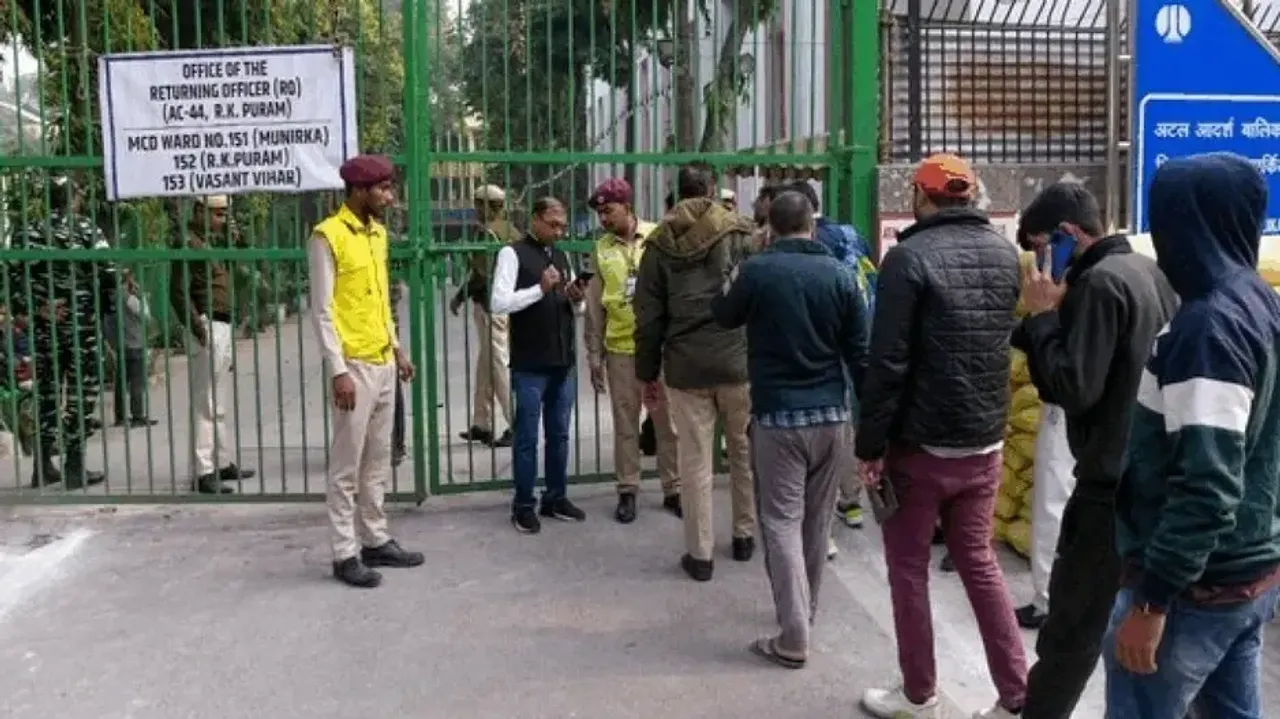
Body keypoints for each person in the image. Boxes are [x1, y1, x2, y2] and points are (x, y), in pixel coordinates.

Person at [1105, 153, 1280, 719]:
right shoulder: (1261, 303)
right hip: (1248, 575)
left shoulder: (1208, 328)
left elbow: (1207, 482)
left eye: (1169, 221)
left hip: (1192, 591)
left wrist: (1153, 600)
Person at [855, 154, 1027, 719]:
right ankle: (1015, 698)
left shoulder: (907, 259)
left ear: (921, 197)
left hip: (920, 448)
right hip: (984, 444)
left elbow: (888, 362)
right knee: (979, 562)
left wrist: (870, 446)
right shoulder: (1006, 256)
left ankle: (919, 695)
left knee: (908, 567)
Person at [1012, 182, 1177, 719]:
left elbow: (1073, 386)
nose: (1041, 264)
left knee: (1071, 630)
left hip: (1109, 488)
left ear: (1067, 236)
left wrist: (1040, 320)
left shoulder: (1100, 285)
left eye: (1041, 248)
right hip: (1151, 477)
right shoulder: (1148, 272)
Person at [711, 190, 869, 669]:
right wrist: (870, 428)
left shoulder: (757, 271)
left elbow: (722, 314)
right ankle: (806, 613)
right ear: (813, 225)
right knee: (816, 522)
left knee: (779, 522)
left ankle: (794, 634)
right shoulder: (842, 276)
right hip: (831, 418)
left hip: (778, 419)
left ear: (770, 227)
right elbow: (860, 355)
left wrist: (745, 265)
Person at [634, 163, 758, 582]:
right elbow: (757, 294)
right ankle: (744, 535)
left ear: (678, 192)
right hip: (737, 359)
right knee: (742, 451)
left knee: (695, 460)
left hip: (685, 365)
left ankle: (700, 554)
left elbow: (648, 316)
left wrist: (647, 370)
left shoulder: (658, 244)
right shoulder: (740, 233)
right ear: (710, 189)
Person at [309, 154, 424, 589]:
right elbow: (322, 311)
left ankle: (375, 538)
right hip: (353, 365)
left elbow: (378, 301)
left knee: (377, 461)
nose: (390, 197)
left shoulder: (377, 234)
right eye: (383, 189)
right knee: (346, 466)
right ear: (359, 191)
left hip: (382, 360)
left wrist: (398, 349)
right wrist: (337, 370)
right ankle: (343, 553)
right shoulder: (327, 237)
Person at [583, 178, 681, 523]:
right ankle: (628, 490)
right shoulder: (601, 249)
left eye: (608, 211)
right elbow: (595, 306)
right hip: (621, 349)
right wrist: (594, 354)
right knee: (625, 424)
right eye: (599, 214)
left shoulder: (659, 238)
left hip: (661, 348)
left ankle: (674, 488)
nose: (604, 219)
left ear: (627, 206)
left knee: (667, 423)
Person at [8, 175, 114, 489]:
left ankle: (42, 466)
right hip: (81, 326)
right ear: (74, 198)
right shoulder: (86, 229)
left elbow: (11, 275)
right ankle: (74, 464)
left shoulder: (27, 232)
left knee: (47, 392)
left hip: (44, 326)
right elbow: (107, 272)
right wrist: (105, 304)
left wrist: (32, 308)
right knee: (82, 394)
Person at [490, 197, 587, 533]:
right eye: (553, 224)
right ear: (535, 220)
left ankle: (556, 497)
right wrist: (539, 289)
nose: (558, 231)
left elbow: (576, 308)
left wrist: (577, 297)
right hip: (530, 363)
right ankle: (523, 504)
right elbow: (499, 302)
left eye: (562, 225)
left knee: (559, 435)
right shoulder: (511, 253)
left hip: (562, 362)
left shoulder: (561, 255)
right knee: (527, 437)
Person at [788, 180, 875, 535]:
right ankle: (852, 501)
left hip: (822, 343)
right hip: (860, 332)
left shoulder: (809, 244)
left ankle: (818, 510)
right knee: (850, 418)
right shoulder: (850, 233)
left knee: (825, 422)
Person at [171, 195, 256, 495]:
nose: (221, 220)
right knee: (205, 402)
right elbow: (178, 292)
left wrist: (235, 240)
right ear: (199, 212)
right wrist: (197, 327)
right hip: (206, 326)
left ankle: (221, 461)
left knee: (218, 401)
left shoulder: (211, 244)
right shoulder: (189, 245)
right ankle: (203, 470)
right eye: (217, 214)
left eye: (224, 215)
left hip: (222, 324)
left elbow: (245, 264)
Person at [451, 184, 520, 448]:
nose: (475, 209)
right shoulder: (508, 230)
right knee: (485, 366)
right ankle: (482, 422)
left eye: (478, 204)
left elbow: (482, 273)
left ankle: (516, 423)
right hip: (498, 305)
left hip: (493, 307)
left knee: (498, 364)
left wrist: (460, 295)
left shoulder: (489, 234)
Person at [105, 269, 156, 428]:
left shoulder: (111, 298)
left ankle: (120, 417)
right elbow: (145, 315)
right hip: (135, 343)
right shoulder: (129, 298)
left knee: (121, 382)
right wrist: (141, 296)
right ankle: (137, 416)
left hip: (121, 344)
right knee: (136, 382)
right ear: (127, 281)